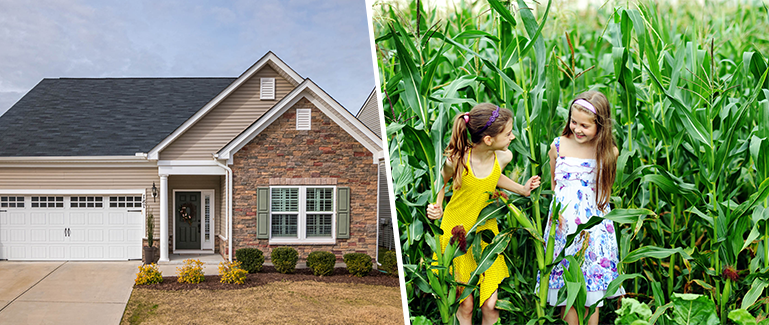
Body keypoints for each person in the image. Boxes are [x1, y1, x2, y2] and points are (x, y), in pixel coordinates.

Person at [427, 103, 541, 325]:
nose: (512, 137)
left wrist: (522, 189)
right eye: (507, 134)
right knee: (466, 305)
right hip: (456, 236)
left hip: (486, 236)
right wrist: (436, 206)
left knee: (491, 304)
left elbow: (493, 177)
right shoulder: (457, 160)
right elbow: (440, 183)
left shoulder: (503, 157)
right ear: (488, 140)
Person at [539, 90, 625, 325]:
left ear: (601, 126)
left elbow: (604, 190)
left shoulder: (608, 153)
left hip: (593, 227)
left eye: (585, 126)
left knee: (589, 293)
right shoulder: (558, 146)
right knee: (568, 289)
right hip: (563, 226)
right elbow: (555, 184)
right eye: (573, 122)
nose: (577, 129)